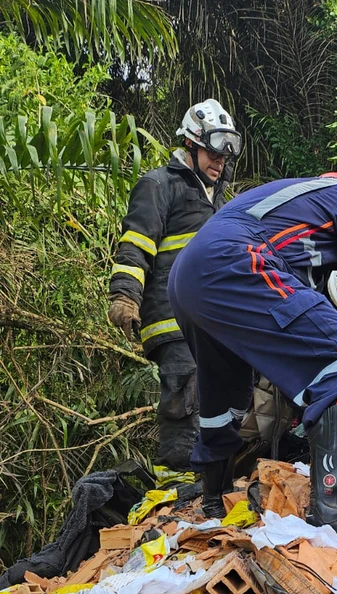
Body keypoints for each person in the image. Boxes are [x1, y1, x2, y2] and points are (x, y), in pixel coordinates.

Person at [168, 174, 337, 534]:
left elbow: (302, 349)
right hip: (234, 257)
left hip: (187, 276)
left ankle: (213, 500)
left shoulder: (289, 215)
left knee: (225, 395)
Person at [108, 99, 242, 471]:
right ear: (191, 144)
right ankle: (178, 489)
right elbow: (137, 243)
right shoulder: (159, 185)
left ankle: (209, 489)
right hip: (172, 320)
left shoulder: (218, 200)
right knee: (184, 407)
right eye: (213, 154)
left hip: (211, 322)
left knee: (220, 405)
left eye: (224, 157)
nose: (220, 162)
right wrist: (124, 294)